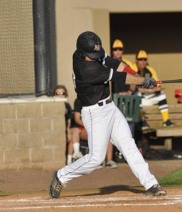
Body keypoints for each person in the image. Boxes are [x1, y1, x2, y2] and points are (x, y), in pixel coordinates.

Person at [49, 31, 167, 198]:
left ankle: (151, 184)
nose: (95, 56)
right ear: (83, 53)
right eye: (92, 54)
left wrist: (136, 75)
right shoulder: (86, 69)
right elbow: (120, 77)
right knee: (95, 159)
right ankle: (60, 176)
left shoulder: (88, 53)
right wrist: (143, 81)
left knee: (129, 145)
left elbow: (112, 62)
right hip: (94, 112)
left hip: (110, 107)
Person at [132, 50, 174, 128]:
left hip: (147, 98)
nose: (143, 61)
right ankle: (142, 121)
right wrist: (150, 90)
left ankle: (166, 120)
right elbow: (136, 89)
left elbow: (157, 84)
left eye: (145, 59)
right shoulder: (132, 69)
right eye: (140, 59)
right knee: (136, 94)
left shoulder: (149, 70)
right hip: (136, 101)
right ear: (136, 61)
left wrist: (156, 88)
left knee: (161, 95)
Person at [73, 97, 117, 168]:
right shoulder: (79, 101)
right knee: (95, 134)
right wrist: (90, 125)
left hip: (98, 127)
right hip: (84, 128)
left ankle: (109, 161)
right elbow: (77, 119)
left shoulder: (99, 100)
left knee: (107, 134)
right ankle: (96, 161)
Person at [53, 85, 81, 165]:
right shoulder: (52, 105)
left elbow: (69, 119)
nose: (60, 95)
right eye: (57, 93)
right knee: (72, 135)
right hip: (56, 132)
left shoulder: (67, 105)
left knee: (74, 131)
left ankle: (73, 156)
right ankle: (70, 158)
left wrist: (68, 129)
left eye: (63, 93)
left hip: (66, 130)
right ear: (54, 94)